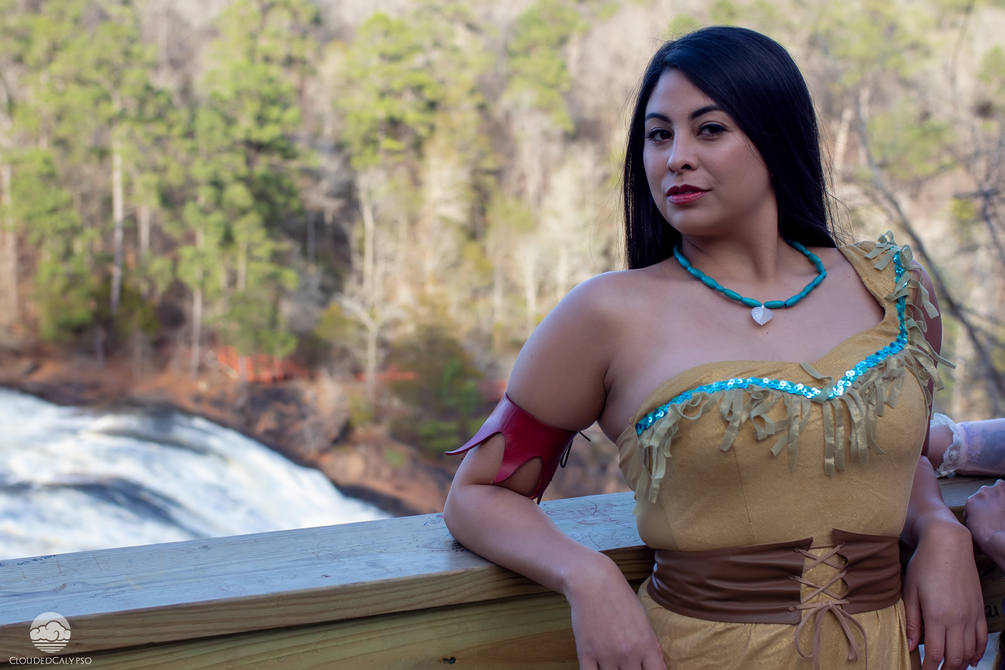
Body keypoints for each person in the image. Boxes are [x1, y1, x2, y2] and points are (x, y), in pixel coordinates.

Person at [443, 26, 986, 670]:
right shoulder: (606, 314)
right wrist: (585, 575)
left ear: (776, 136)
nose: (676, 157)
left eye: (709, 129)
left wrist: (939, 529)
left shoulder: (895, 291)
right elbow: (478, 495)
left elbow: (897, 457)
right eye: (658, 135)